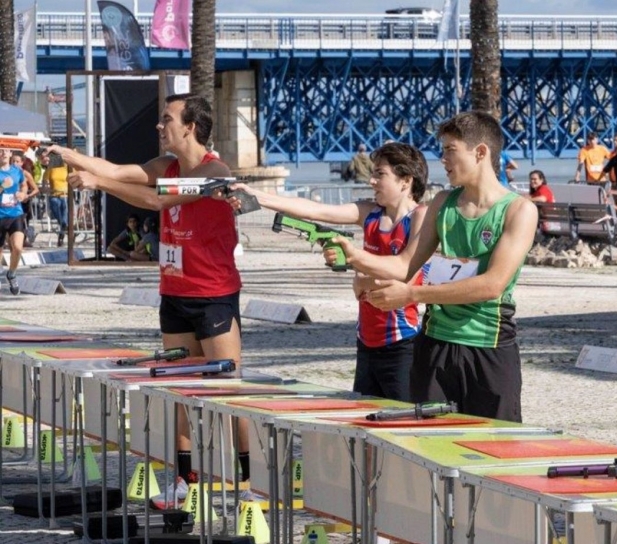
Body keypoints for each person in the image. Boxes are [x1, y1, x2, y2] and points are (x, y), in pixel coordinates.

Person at [46, 93, 254, 509]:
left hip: (213, 296)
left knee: (229, 393)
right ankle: (184, 481)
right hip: (174, 293)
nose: (160, 127)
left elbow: (160, 200)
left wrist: (98, 182)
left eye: (167, 119)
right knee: (179, 392)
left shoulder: (215, 170)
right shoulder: (166, 165)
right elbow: (119, 169)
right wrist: (71, 155)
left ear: (190, 127)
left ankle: (249, 482)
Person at [330, 111, 538, 422]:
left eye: (450, 150)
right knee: (430, 450)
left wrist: (411, 295)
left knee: (495, 452)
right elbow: (404, 265)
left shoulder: (520, 210)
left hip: (489, 346)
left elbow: (491, 285)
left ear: (481, 152)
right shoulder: (442, 202)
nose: (442, 159)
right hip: (435, 345)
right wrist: (354, 257)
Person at [228, 142, 428, 401]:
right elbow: (315, 209)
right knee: (366, 425)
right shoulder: (369, 213)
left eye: (380, 174)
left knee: (403, 426)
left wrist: (359, 272)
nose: (371, 180)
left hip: (402, 344)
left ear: (405, 180)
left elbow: (404, 271)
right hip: (366, 341)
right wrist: (254, 195)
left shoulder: (420, 216)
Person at [0, 148, 28, 295]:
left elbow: (24, 185)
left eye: (6, 151)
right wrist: (2, 186)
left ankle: (11, 273)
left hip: (15, 214)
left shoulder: (17, 171)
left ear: (11, 154)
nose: (3, 153)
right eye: (0, 151)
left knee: (17, 247)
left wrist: (23, 193)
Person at [10, 153, 40, 247]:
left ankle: (22, 241)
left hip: (23, 202)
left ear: (22, 163)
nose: (15, 163)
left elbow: (36, 189)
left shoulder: (26, 174)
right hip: (9, 202)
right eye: (13, 161)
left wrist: (28, 196)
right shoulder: (6, 173)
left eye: (17, 161)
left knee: (22, 222)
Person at [41, 151, 70, 248]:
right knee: (61, 219)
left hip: (66, 195)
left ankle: (61, 235)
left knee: (65, 219)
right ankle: (64, 230)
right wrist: (46, 189)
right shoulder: (50, 169)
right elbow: (44, 181)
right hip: (54, 195)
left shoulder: (67, 167)